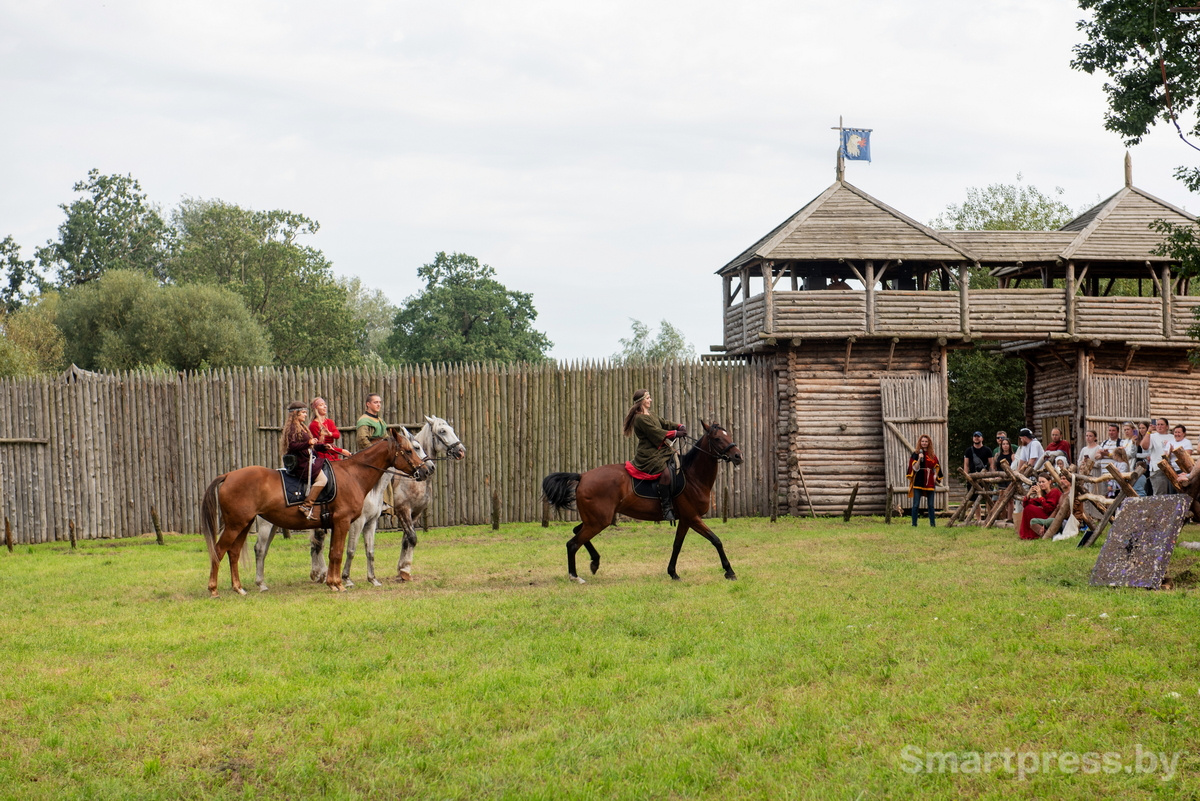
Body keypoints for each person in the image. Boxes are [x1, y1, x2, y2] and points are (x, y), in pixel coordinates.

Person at [623, 389, 686, 522]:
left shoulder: (650, 414)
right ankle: (666, 508)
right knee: (666, 474)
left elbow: (664, 423)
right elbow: (655, 432)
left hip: (661, 450)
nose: (650, 400)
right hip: (649, 454)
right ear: (641, 401)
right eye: (648, 398)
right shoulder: (640, 419)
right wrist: (675, 434)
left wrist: (679, 426)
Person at [281, 400, 335, 519]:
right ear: (295, 413)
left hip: (308, 459)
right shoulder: (292, 428)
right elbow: (292, 446)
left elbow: (310, 446)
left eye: (306, 412)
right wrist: (308, 443)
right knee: (323, 480)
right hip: (301, 462)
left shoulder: (301, 426)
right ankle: (306, 506)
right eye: (303, 412)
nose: (306, 415)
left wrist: (322, 446)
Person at [907, 434, 942, 527]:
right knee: (916, 504)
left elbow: (937, 467)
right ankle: (914, 524)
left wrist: (935, 475)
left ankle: (932, 524)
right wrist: (919, 459)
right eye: (922, 441)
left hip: (930, 481)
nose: (924, 443)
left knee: (931, 505)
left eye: (926, 441)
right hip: (919, 480)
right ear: (920, 442)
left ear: (929, 443)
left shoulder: (932, 455)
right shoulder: (915, 454)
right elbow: (914, 468)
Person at [1018, 475, 1062, 540]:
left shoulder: (1055, 491)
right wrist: (1028, 494)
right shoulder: (1044, 493)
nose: (1041, 484)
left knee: (1030, 508)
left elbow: (1049, 509)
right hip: (1047, 515)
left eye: (1043, 482)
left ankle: (1031, 534)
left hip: (1053, 517)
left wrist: (1039, 496)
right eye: (1040, 482)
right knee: (1028, 508)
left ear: (1049, 482)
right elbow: (1026, 504)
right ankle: (1029, 534)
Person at [309, 397, 351, 461]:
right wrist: (342, 451)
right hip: (322, 456)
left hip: (332, 452)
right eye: (321, 405)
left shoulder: (329, 421)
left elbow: (337, 435)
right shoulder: (313, 425)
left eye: (324, 404)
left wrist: (330, 434)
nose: (325, 406)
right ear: (316, 408)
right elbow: (320, 446)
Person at [1141, 418, 1174, 495]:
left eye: (1162, 424)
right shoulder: (1152, 436)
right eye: (1158, 424)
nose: (1159, 426)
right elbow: (1144, 447)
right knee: (1160, 493)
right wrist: (1148, 431)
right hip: (1157, 468)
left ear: (1167, 426)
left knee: (1172, 493)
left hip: (1171, 468)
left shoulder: (1172, 437)